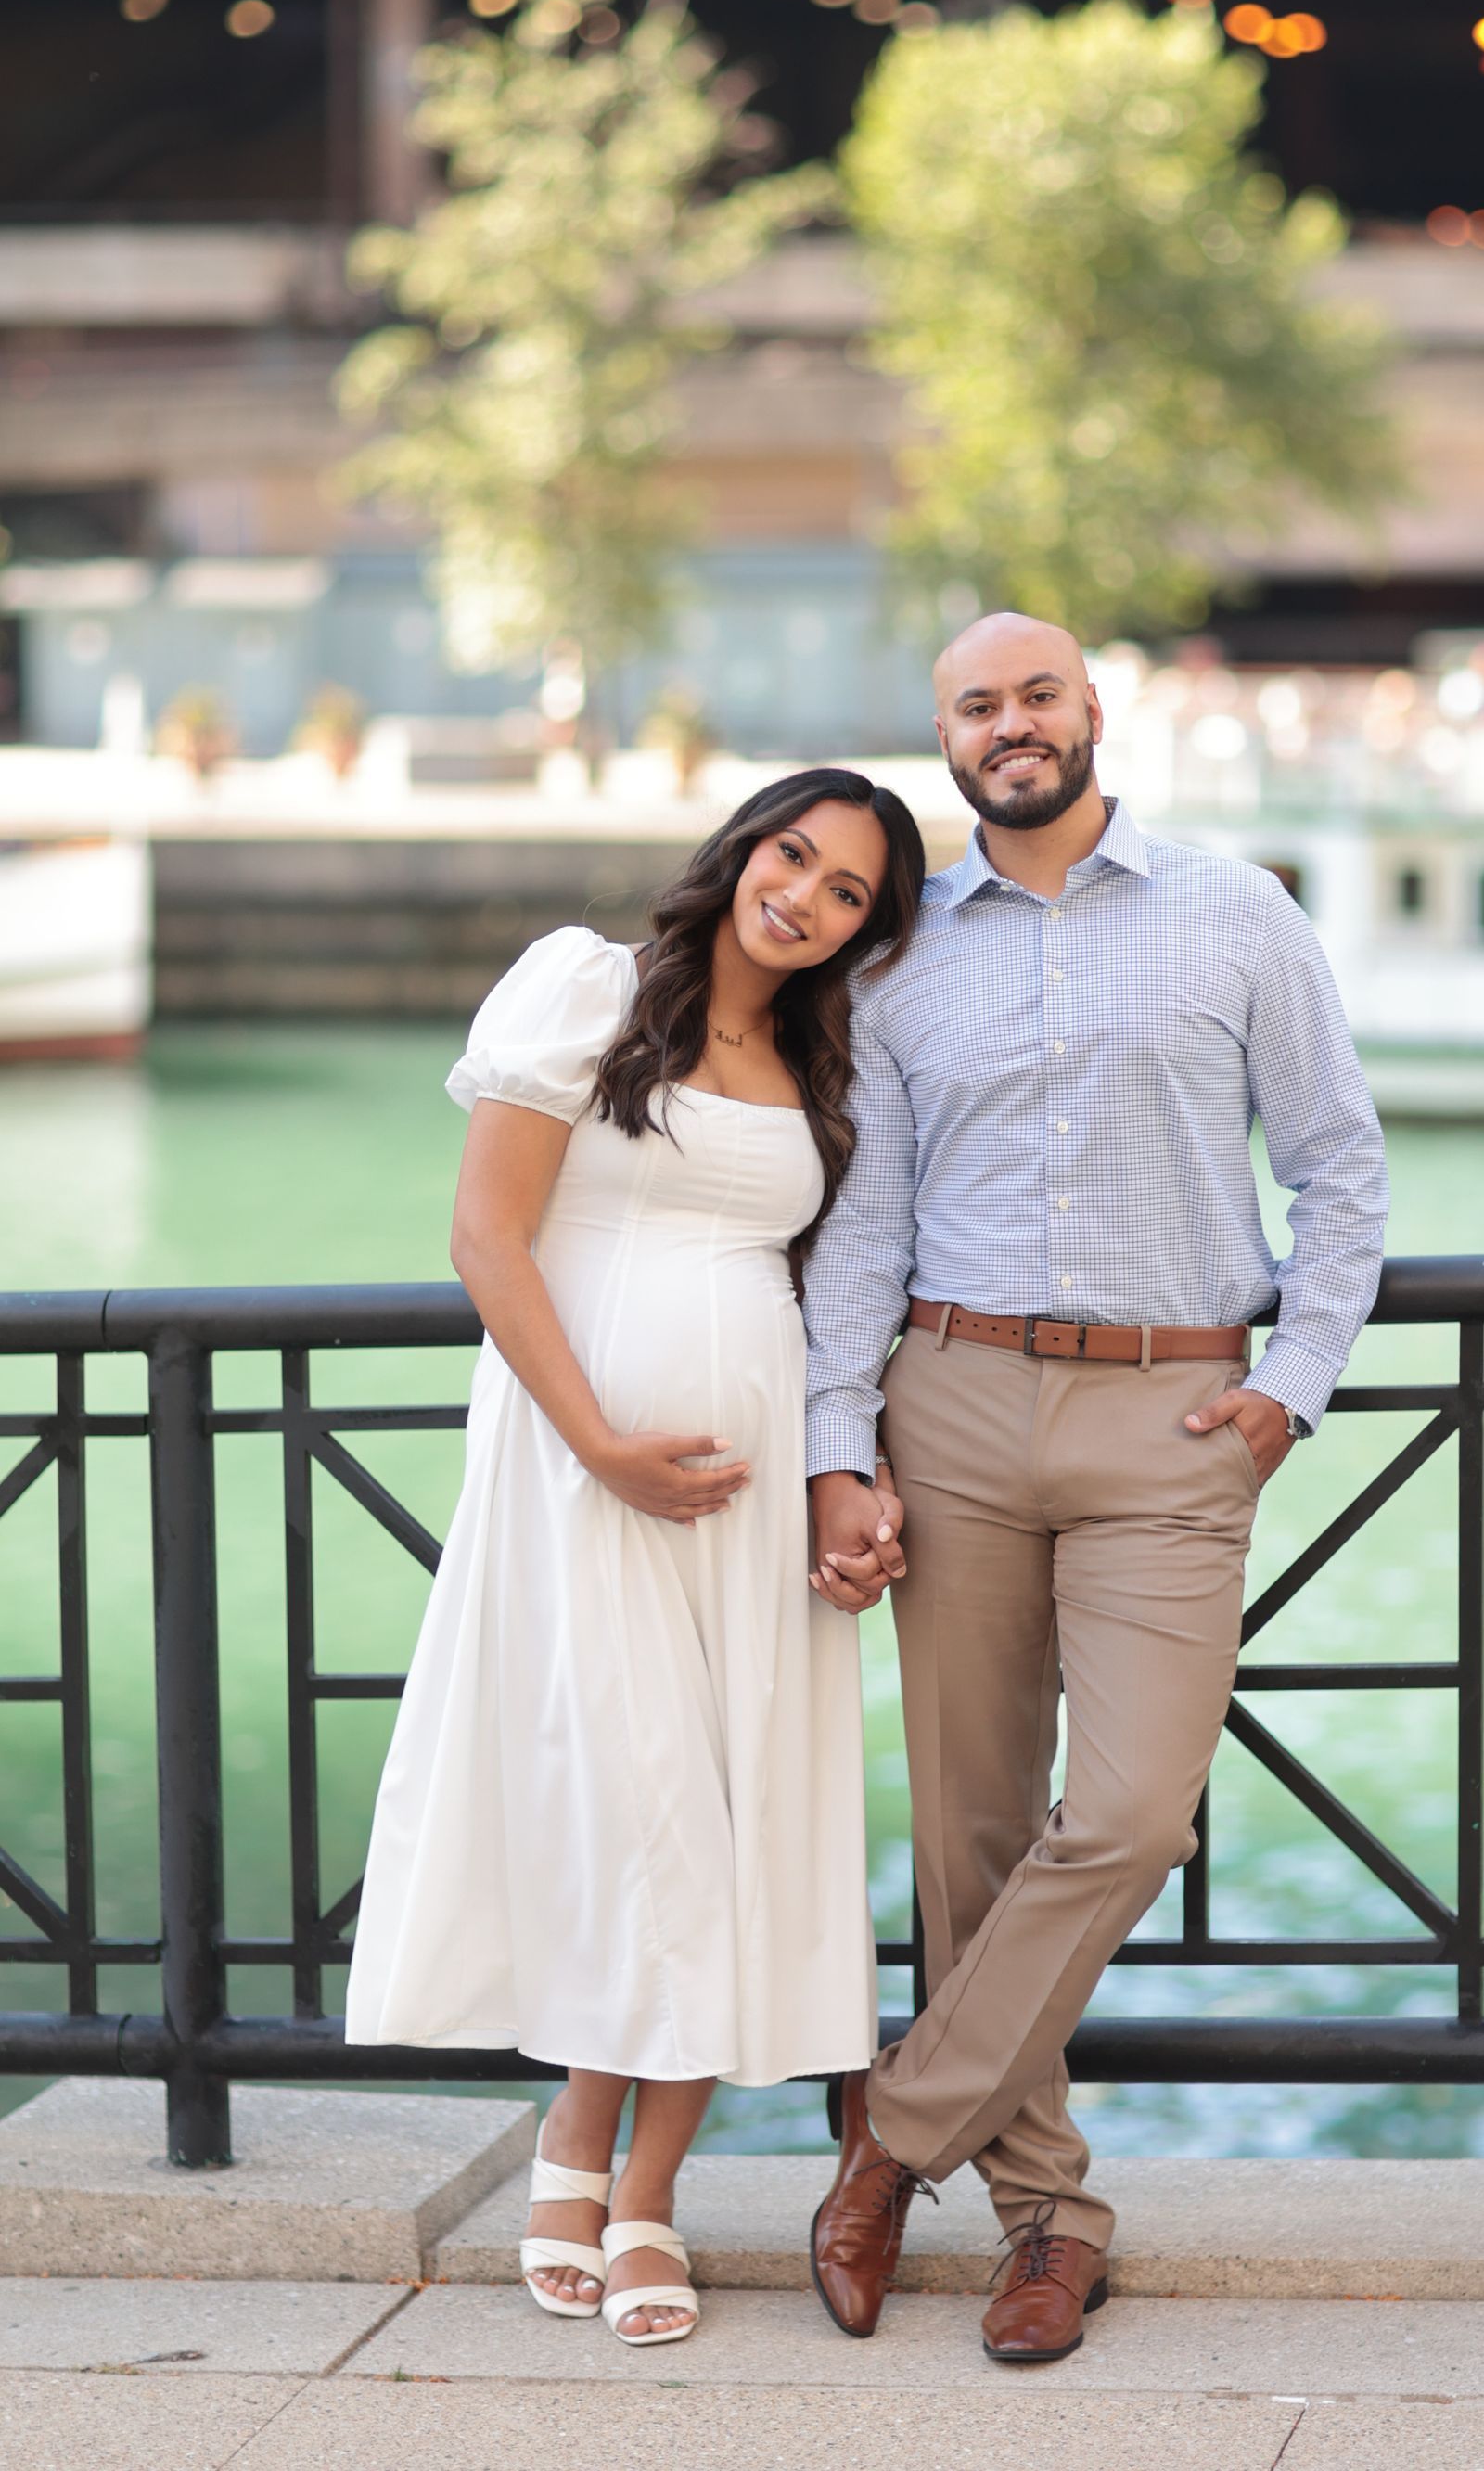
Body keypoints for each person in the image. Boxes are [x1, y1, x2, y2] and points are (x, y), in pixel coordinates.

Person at [800, 612, 1388, 2362]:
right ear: (946, 739)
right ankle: (1047, 2224)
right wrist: (839, 1442)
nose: (1012, 726)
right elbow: (866, 1230)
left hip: (1172, 1420)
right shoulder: (897, 958)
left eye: (1036, 695)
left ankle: (892, 2129)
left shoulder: (1238, 913)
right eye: (976, 706)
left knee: (1132, 1816)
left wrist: (1292, 1384)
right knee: (973, 1836)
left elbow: (1339, 1167)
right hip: (953, 1404)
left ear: (1094, 712)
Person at [346, 767, 922, 2348]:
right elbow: (487, 1237)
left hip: (756, 1494)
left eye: (848, 892)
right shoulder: (588, 988)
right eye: (793, 855)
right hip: (580, 1469)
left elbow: (841, 1289)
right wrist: (600, 1443)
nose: (803, 898)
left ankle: (639, 2183)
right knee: (643, 1810)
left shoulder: (826, 1059)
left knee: (734, 1817)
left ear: (866, 930)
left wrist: (843, 1470)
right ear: (741, 850)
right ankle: (578, 2142)